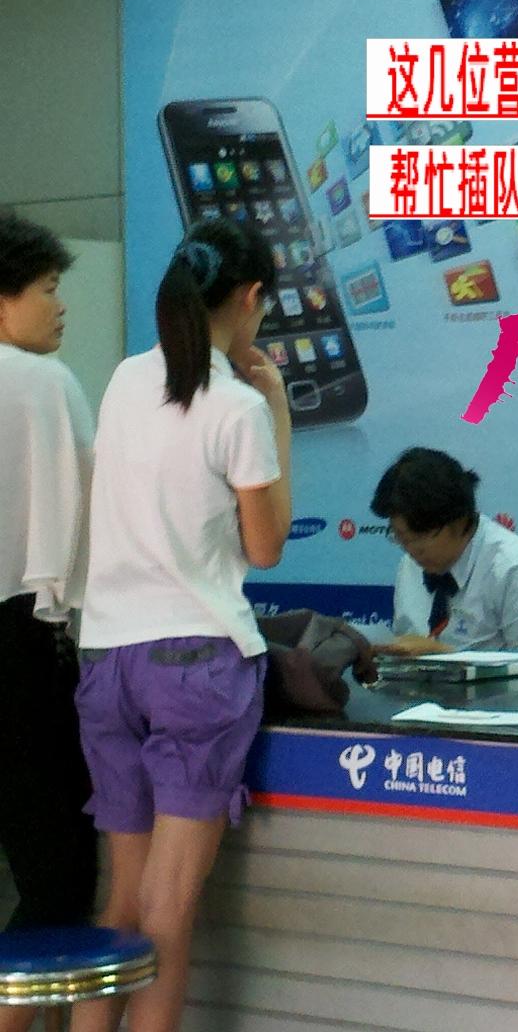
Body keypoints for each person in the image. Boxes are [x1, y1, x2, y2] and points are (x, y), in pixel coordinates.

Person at [74, 219, 292, 1032]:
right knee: (169, 910)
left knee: (123, 903)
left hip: (106, 660)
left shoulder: (124, 380)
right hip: (197, 663)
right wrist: (277, 408)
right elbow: (265, 547)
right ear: (251, 297)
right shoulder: (237, 406)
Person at [0, 211, 99, 1001]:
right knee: (58, 872)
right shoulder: (43, 382)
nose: (60, 306)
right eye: (47, 288)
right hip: (21, 645)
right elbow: (89, 523)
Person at [371, 448, 518, 656]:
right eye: (400, 537)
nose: (411, 550)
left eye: (419, 537)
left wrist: (442, 654)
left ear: (458, 520)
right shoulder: (410, 564)